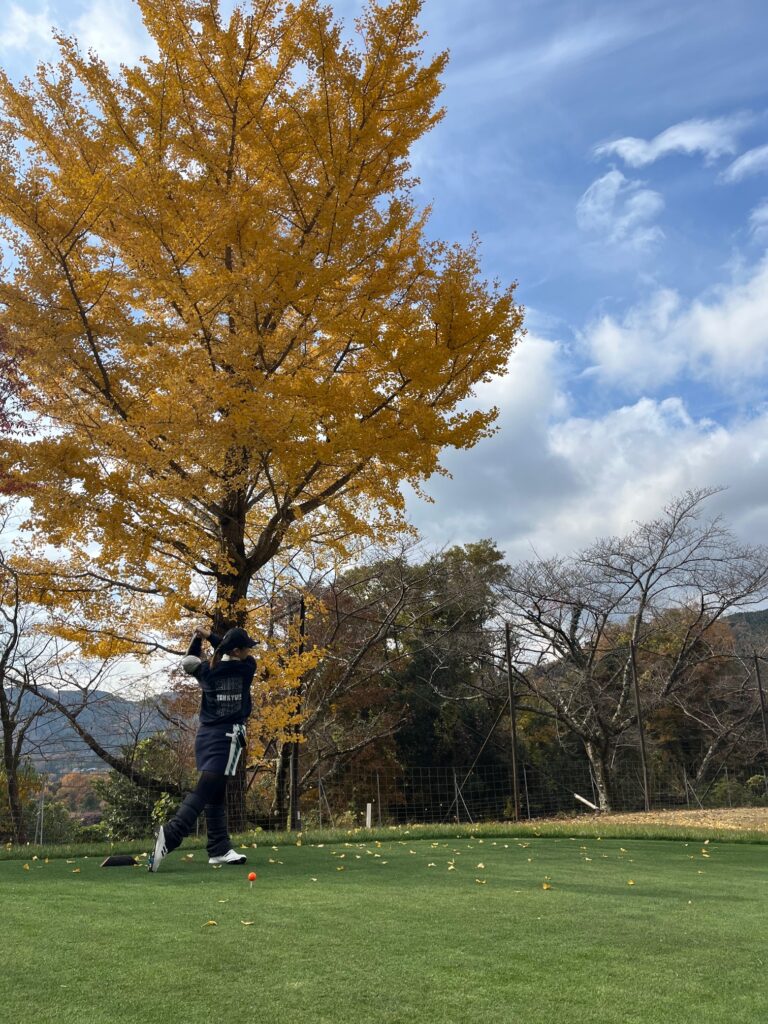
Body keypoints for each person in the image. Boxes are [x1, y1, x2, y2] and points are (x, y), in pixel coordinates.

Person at [148, 624, 258, 872]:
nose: (250, 652)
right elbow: (226, 650)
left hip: (206, 736)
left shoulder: (207, 671)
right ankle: (172, 833)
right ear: (238, 651)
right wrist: (211, 637)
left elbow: (189, 660)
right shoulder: (246, 669)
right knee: (207, 788)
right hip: (228, 735)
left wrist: (198, 639)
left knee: (216, 790)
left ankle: (219, 848)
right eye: (247, 648)